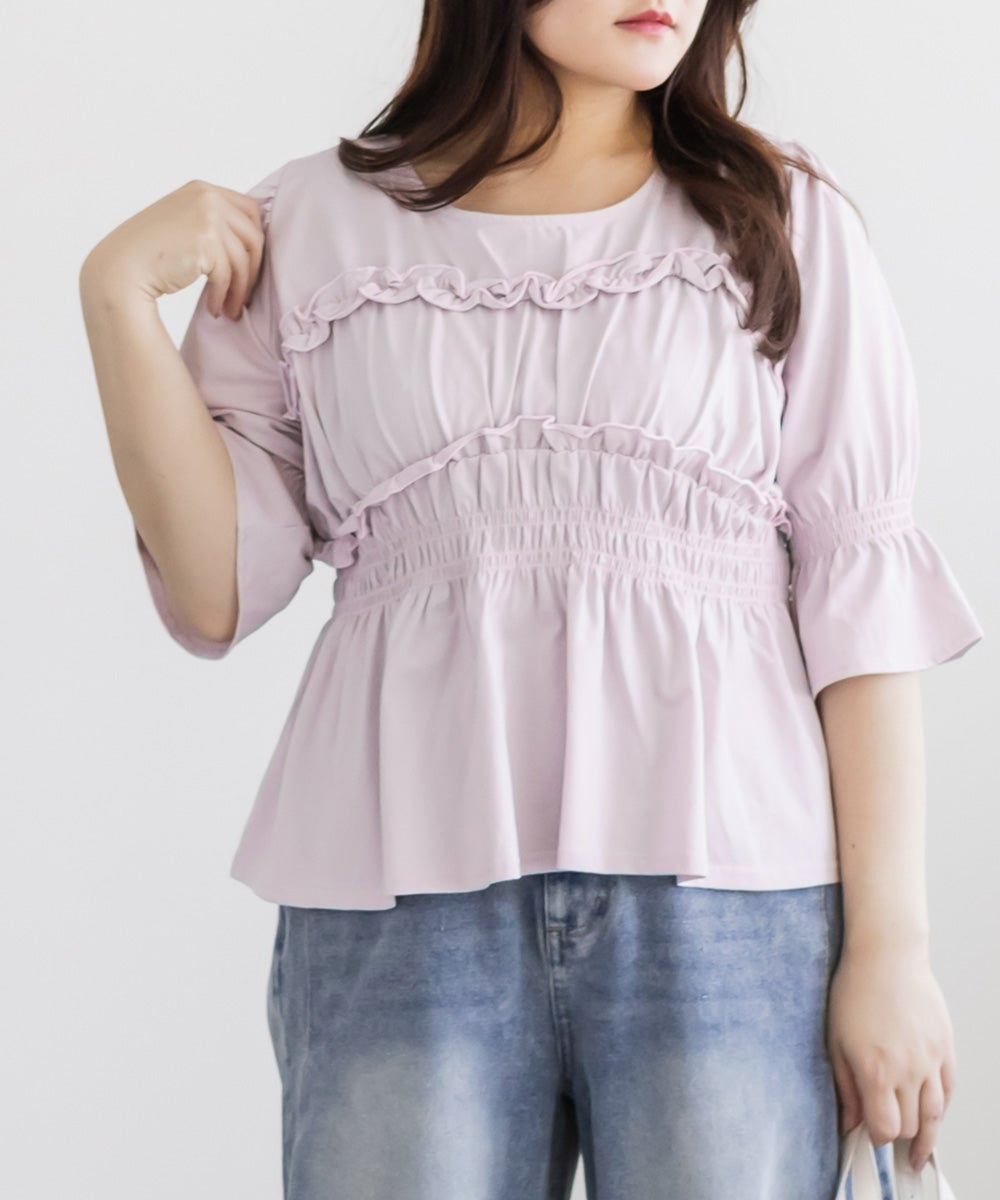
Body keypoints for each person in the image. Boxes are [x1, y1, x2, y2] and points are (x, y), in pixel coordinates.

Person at [79, 1, 984, 1197]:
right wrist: (114, 294)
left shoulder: (782, 217)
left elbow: (854, 597)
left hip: (731, 901)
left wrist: (893, 950)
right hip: (399, 894)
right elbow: (212, 592)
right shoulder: (312, 226)